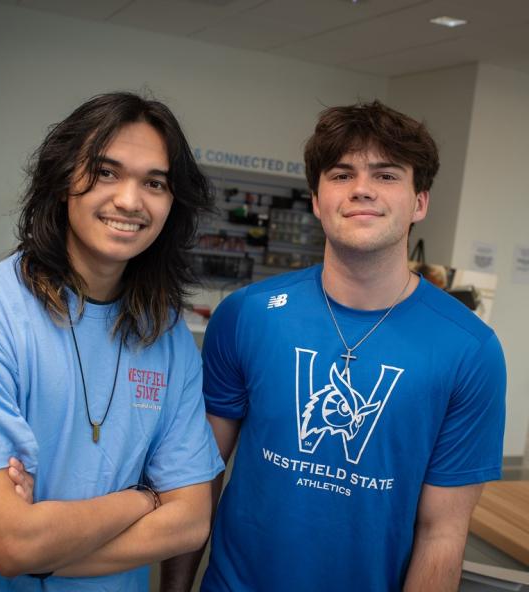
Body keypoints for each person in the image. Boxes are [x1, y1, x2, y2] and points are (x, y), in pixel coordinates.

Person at [166, 100, 506, 591]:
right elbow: (198, 482)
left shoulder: (470, 350)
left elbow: (443, 534)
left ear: (420, 202)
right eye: (342, 174)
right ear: (316, 197)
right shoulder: (247, 314)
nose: (362, 189)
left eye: (387, 175)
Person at [0, 92, 224, 591]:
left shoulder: (165, 333)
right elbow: (10, 543)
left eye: (154, 182)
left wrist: (45, 541)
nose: (129, 200)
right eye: (105, 172)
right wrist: (143, 497)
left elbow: (190, 522)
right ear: (62, 183)